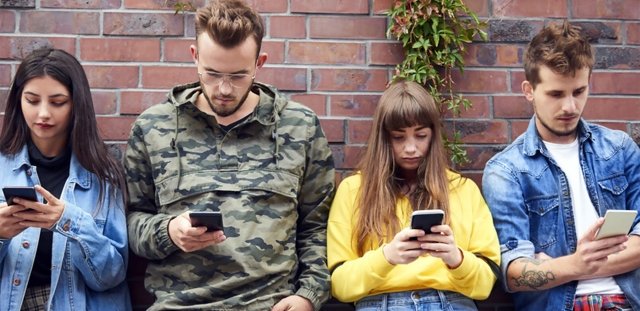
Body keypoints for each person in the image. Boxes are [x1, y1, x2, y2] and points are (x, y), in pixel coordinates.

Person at [124, 0, 335, 310]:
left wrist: (308, 296)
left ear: (259, 62)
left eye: (238, 76)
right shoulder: (153, 127)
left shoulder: (299, 126)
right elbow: (131, 221)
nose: (223, 89)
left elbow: (317, 226)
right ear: (194, 57)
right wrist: (168, 231)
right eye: (212, 74)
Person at [482, 21, 640, 311]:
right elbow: (514, 273)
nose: (570, 107)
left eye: (579, 91)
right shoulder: (506, 171)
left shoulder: (620, 149)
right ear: (529, 90)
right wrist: (579, 262)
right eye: (556, 94)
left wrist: (567, 267)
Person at [327, 80, 500, 310]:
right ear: (384, 138)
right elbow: (340, 286)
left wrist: (456, 258)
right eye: (399, 137)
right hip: (380, 303)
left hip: (451, 302)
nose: (410, 148)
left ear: (433, 136)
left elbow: (486, 284)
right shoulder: (353, 190)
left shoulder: (463, 189)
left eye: (421, 136)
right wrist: (386, 257)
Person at [0, 47, 131, 311]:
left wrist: (67, 221)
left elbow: (111, 275)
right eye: (32, 100)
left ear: (76, 104)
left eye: (58, 102)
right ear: (18, 101)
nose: (44, 113)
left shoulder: (104, 173)